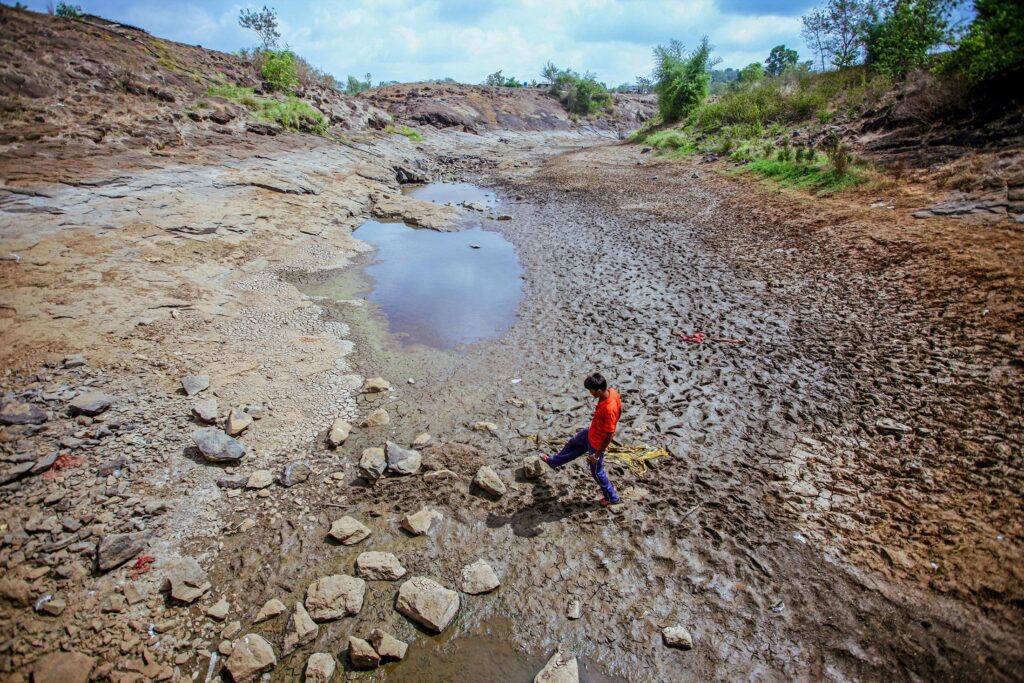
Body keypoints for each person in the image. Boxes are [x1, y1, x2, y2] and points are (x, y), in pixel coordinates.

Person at [542, 372, 621, 506]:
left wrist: (596, 455)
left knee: (597, 472)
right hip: (590, 432)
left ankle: (611, 497)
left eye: (591, 390)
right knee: (572, 445)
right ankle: (553, 462)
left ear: (599, 390)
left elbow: (609, 434)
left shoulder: (609, 409)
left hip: (597, 443)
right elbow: (621, 410)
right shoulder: (612, 392)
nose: (590, 393)